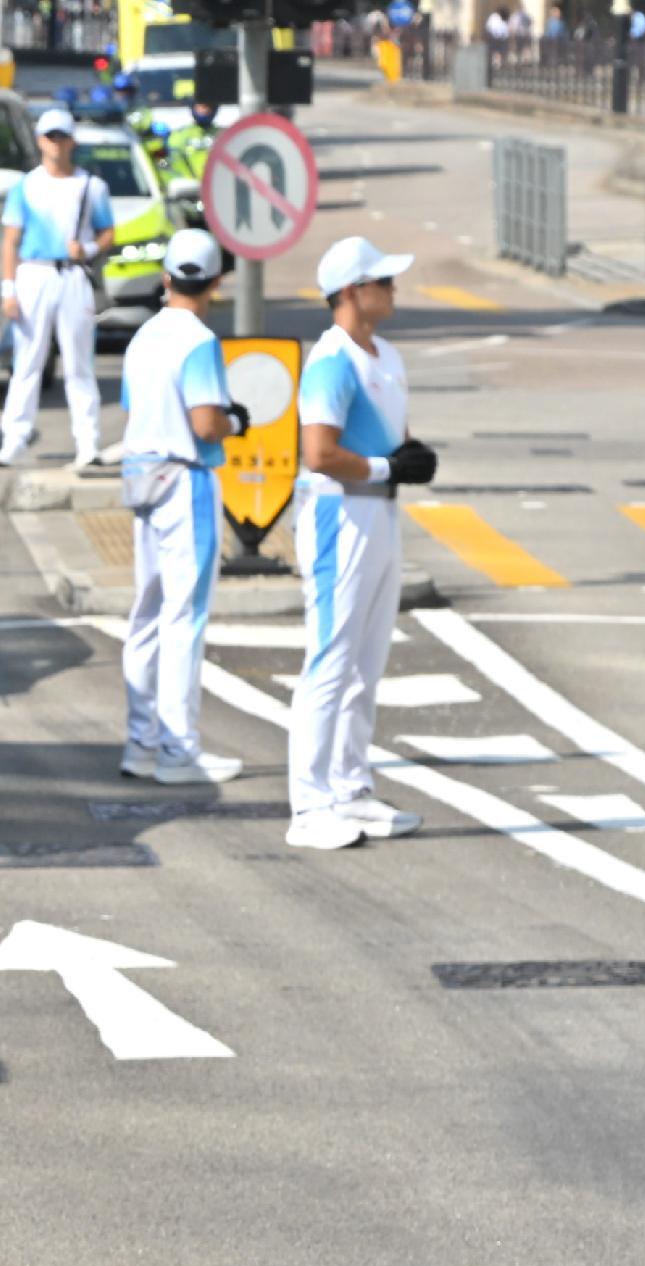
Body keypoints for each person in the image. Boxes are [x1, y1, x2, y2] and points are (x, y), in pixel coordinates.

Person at [284, 237, 430, 852]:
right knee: (331, 658)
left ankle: (350, 787)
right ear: (350, 293)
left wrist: (407, 458)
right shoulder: (330, 362)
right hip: (337, 518)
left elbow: (394, 440)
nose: (392, 289)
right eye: (382, 281)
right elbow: (319, 453)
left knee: (366, 661)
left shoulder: (386, 355)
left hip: (380, 518)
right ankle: (309, 804)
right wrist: (385, 469)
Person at [115, 228, 243, 789]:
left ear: (166, 277)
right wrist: (235, 420)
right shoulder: (199, 341)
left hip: (141, 476)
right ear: (216, 282)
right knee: (184, 618)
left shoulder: (143, 336)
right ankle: (179, 749)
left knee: (146, 614)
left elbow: (130, 405)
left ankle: (141, 742)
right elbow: (206, 422)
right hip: (186, 479)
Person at [0, 108, 111, 469]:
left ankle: (87, 442)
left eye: (62, 136)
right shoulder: (26, 186)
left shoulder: (91, 186)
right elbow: (10, 241)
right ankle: (14, 438)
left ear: (72, 141)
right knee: (27, 360)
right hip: (34, 274)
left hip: (74, 275)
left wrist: (88, 250)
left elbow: (108, 233)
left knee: (79, 363)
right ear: (40, 141)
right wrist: (7, 289)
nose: (56, 144)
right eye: (50, 137)